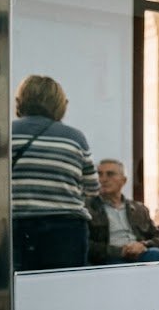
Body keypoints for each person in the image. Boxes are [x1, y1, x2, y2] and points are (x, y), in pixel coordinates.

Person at [11, 75, 100, 271]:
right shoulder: (75, 138)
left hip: (16, 226)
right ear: (61, 104)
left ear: (20, 101)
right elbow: (93, 188)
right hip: (66, 229)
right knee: (64, 285)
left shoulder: (5, 133)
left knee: (17, 286)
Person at [86, 159, 159, 265]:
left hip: (140, 255)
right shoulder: (88, 208)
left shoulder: (139, 209)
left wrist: (143, 245)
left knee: (154, 254)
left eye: (110, 174)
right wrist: (120, 251)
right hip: (109, 259)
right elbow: (84, 244)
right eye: (100, 174)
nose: (103, 179)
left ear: (123, 180)